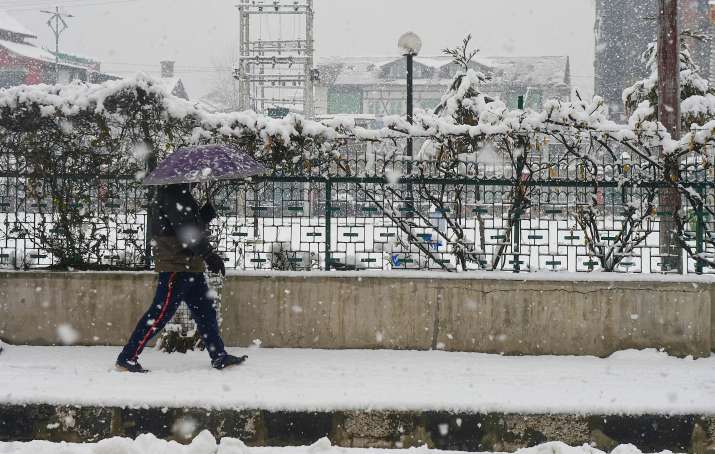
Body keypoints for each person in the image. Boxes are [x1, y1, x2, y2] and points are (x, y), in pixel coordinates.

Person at [115, 183, 246, 373]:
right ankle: (127, 358)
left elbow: (188, 227)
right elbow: (186, 233)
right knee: (159, 315)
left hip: (190, 266)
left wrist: (203, 216)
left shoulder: (182, 195)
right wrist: (209, 255)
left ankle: (219, 355)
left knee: (206, 313)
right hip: (175, 267)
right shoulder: (172, 196)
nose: (199, 180)